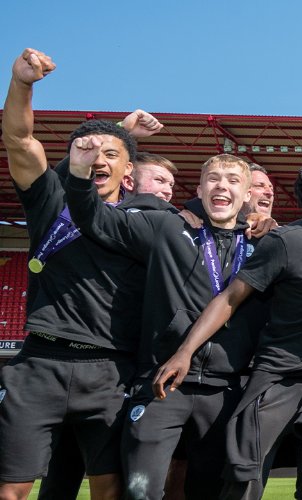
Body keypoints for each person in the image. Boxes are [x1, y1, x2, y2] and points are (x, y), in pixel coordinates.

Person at [154, 154, 302, 499]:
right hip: (278, 377)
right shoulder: (286, 241)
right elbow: (230, 299)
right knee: (243, 479)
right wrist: (185, 352)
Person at [0, 48, 175, 500]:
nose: (99, 159)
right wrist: (22, 84)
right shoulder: (49, 200)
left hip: (110, 370)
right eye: (88, 151)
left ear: (129, 170)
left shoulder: (144, 221)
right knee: (11, 489)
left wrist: (116, 135)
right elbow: (20, 142)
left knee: (109, 490)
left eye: (111, 154)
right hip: (39, 363)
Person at [62, 153, 264, 500]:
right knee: (141, 490)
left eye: (233, 181)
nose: (222, 186)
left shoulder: (265, 246)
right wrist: (80, 172)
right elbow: (93, 218)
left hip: (226, 390)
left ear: (247, 195)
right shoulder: (168, 227)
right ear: (199, 190)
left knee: (207, 492)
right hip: (161, 382)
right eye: (213, 179)